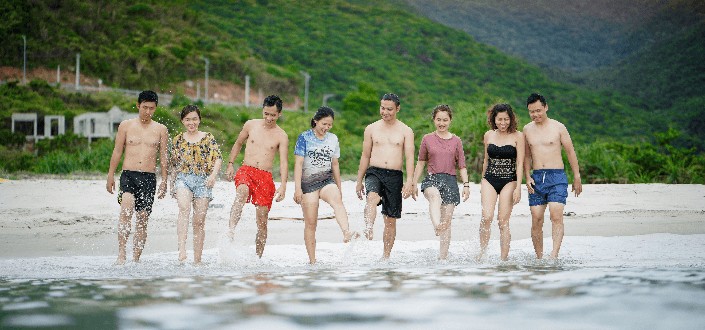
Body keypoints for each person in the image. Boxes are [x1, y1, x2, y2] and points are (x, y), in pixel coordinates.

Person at [106, 90, 169, 265]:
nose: (147, 112)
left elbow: (163, 157)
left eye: (151, 108)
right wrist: (110, 175)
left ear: (155, 108)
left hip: (149, 178)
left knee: (142, 218)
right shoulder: (126, 126)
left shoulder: (161, 129)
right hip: (128, 175)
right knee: (126, 210)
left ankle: (135, 259)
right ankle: (121, 255)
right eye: (144, 107)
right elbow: (117, 151)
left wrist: (165, 180)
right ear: (138, 106)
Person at [293, 106, 360, 264]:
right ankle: (312, 260)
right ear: (316, 121)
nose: (326, 128)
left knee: (337, 199)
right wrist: (297, 189)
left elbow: (335, 164)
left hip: (326, 180)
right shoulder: (304, 137)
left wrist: (339, 186)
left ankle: (346, 232)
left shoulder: (333, 139)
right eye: (324, 124)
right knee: (311, 223)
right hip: (308, 183)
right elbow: (298, 164)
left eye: (329, 125)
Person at [225, 95, 288, 258]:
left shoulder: (281, 135)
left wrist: (283, 185)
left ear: (279, 114)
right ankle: (230, 230)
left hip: (265, 177)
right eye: (266, 113)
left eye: (273, 115)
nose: (268, 118)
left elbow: (283, 162)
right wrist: (231, 163)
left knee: (262, 221)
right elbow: (238, 143)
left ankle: (258, 259)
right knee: (242, 191)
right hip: (247, 170)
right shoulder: (250, 125)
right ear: (263, 110)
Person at [355, 93, 415, 260]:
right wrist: (359, 180)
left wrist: (410, 181)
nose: (385, 112)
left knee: (390, 219)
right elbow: (365, 155)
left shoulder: (406, 131)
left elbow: (410, 156)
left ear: (397, 109)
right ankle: (368, 226)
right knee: (372, 197)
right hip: (375, 171)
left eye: (389, 109)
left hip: (395, 176)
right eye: (382, 108)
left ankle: (385, 257)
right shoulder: (371, 128)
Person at [523, 93, 582, 259]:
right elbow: (526, 156)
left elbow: (570, 152)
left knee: (556, 215)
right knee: (536, 218)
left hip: (556, 177)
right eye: (532, 111)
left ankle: (553, 256)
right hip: (537, 177)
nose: (535, 114)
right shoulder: (527, 129)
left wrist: (577, 176)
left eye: (538, 110)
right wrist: (527, 176)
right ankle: (540, 257)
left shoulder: (559, 127)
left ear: (546, 107)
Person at [411, 104, 470, 260]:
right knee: (435, 197)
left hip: (451, 181)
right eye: (438, 120)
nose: (441, 123)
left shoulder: (456, 141)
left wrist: (466, 185)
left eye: (445, 120)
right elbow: (421, 162)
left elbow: (462, 166)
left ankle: (442, 258)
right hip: (432, 178)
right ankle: (436, 225)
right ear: (434, 120)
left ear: (450, 120)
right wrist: (413, 183)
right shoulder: (427, 139)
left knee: (447, 222)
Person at [169, 105, 223, 265]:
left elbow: (218, 158)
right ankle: (182, 250)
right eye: (187, 119)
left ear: (199, 120)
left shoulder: (207, 137)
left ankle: (197, 260)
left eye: (194, 119)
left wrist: (213, 176)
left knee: (199, 221)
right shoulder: (178, 139)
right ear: (182, 121)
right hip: (183, 179)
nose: (191, 122)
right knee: (184, 208)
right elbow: (175, 164)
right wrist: (172, 184)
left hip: (203, 181)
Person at [478, 103, 525, 261]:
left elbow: (520, 163)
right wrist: (482, 181)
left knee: (503, 221)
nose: (503, 123)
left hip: (509, 180)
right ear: (494, 119)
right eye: (500, 119)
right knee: (486, 217)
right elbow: (486, 159)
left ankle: (503, 260)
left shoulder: (518, 136)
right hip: (489, 179)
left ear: (511, 119)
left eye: (506, 119)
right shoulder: (488, 135)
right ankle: (482, 252)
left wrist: (518, 187)